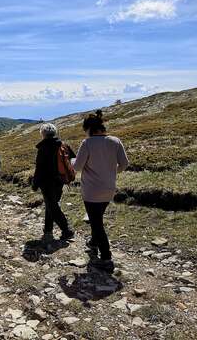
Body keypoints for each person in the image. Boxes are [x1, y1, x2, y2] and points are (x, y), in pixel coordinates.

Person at [73, 110, 129, 272]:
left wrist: (71, 160)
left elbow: (77, 167)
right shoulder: (115, 141)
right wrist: (111, 172)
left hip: (91, 189)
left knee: (96, 221)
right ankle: (93, 242)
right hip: (109, 187)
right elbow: (124, 164)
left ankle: (106, 256)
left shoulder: (87, 143)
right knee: (97, 217)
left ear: (89, 129)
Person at [32, 123, 75, 248]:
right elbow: (73, 159)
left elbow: (39, 168)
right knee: (51, 205)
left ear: (43, 133)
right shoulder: (63, 145)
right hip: (60, 181)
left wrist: (35, 184)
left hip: (46, 183)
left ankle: (66, 230)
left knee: (52, 206)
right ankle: (48, 230)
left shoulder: (43, 148)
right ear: (55, 132)